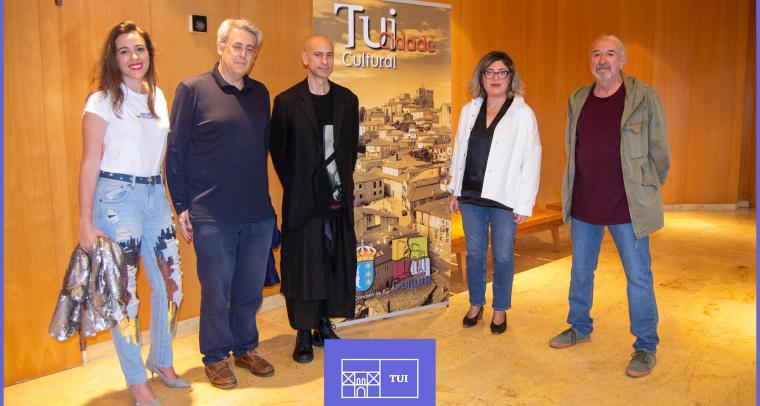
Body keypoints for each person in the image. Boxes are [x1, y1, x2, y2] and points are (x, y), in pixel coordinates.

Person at [549, 35, 670, 378]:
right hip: (585, 202)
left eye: (610, 54)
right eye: (596, 54)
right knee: (580, 271)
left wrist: (646, 188)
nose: (602, 60)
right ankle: (579, 326)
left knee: (638, 277)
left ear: (622, 60)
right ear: (591, 60)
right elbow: (573, 149)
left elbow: (660, 151)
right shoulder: (577, 98)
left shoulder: (643, 97)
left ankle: (645, 346)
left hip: (627, 207)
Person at [78, 21, 186, 406]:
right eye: (124, 51)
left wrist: (176, 205)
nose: (133, 57)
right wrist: (84, 222)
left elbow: (161, 158)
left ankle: (161, 360)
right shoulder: (101, 101)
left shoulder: (158, 97)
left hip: (155, 196)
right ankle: (137, 380)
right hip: (116, 199)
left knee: (172, 285)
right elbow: (89, 162)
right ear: (114, 58)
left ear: (149, 54)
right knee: (124, 295)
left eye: (139, 49)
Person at [166, 19, 276, 389]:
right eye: (237, 46)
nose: (243, 55)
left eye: (250, 49)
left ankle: (245, 348)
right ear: (220, 47)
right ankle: (215, 356)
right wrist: (181, 205)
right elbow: (175, 152)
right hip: (212, 215)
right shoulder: (192, 90)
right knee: (216, 291)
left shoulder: (261, 94)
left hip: (257, 213)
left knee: (249, 290)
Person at [269, 34, 359, 364]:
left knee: (332, 263)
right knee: (303, 266)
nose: (324, 61)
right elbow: (279, 152)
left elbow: (349, 150)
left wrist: (334, 184)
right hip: (303, 202)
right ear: (305, 58)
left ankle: (322, 324)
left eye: (329, 55)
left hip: (336, 199)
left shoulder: (348, 100)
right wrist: (300, 184)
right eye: (318, 55)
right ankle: (303, 332)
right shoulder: (286, 101)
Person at [448, 51, 542, 335]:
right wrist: (454, 189)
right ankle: (476, 303)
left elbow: (532, 159)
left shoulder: (523, 114)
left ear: (510, 77)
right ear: (481, 77)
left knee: (502, 256)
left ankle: (500, 308)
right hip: (471, 196)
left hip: (505, 199)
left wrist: (524, 203)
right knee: (475, 254)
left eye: (502, 72)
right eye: (489, 72)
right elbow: (459, 151)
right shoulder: (469, 110)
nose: (495, 78)